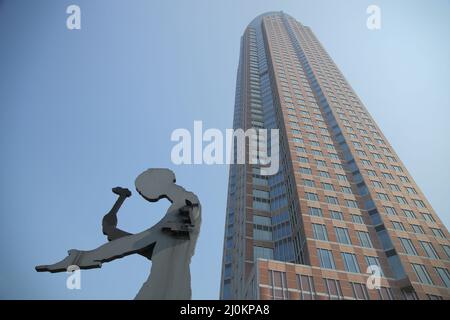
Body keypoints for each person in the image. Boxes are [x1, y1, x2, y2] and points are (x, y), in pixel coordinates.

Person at [36, 168, 201, 299]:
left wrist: (82, 257)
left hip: (164, 288)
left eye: (141, 188)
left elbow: (150, 239)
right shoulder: (184, 204)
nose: (142, 193)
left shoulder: (186, 202)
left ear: (154, 184)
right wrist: (114, 233)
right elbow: (156, 241)